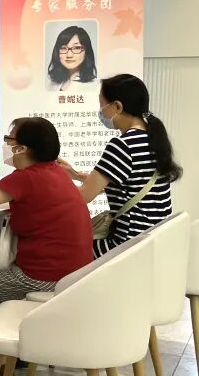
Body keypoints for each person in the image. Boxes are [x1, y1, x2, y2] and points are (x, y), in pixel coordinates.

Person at [0, 117, 93, 376]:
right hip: (74, 273)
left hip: (43, 276)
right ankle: (8, 340)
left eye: (10, 140)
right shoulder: (56, 172)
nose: (7, 145)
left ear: (22, 149)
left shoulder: (24, 178)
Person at [58, 74, 181, 257]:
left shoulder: (122, 145)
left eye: (102, 106)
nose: (101, 112)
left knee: (64, 252)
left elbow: (84, 196)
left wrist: (50, 182)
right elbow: (124, 184)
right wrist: (74, 174)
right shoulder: (153, 139)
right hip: (154, 240)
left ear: (117, 106)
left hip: (127, 244)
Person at [47, 25, 98, 92]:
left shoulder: (95, 87)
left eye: (77, 48)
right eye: (64, 48)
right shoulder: (51, 85)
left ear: (87, 51)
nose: (69, 55)